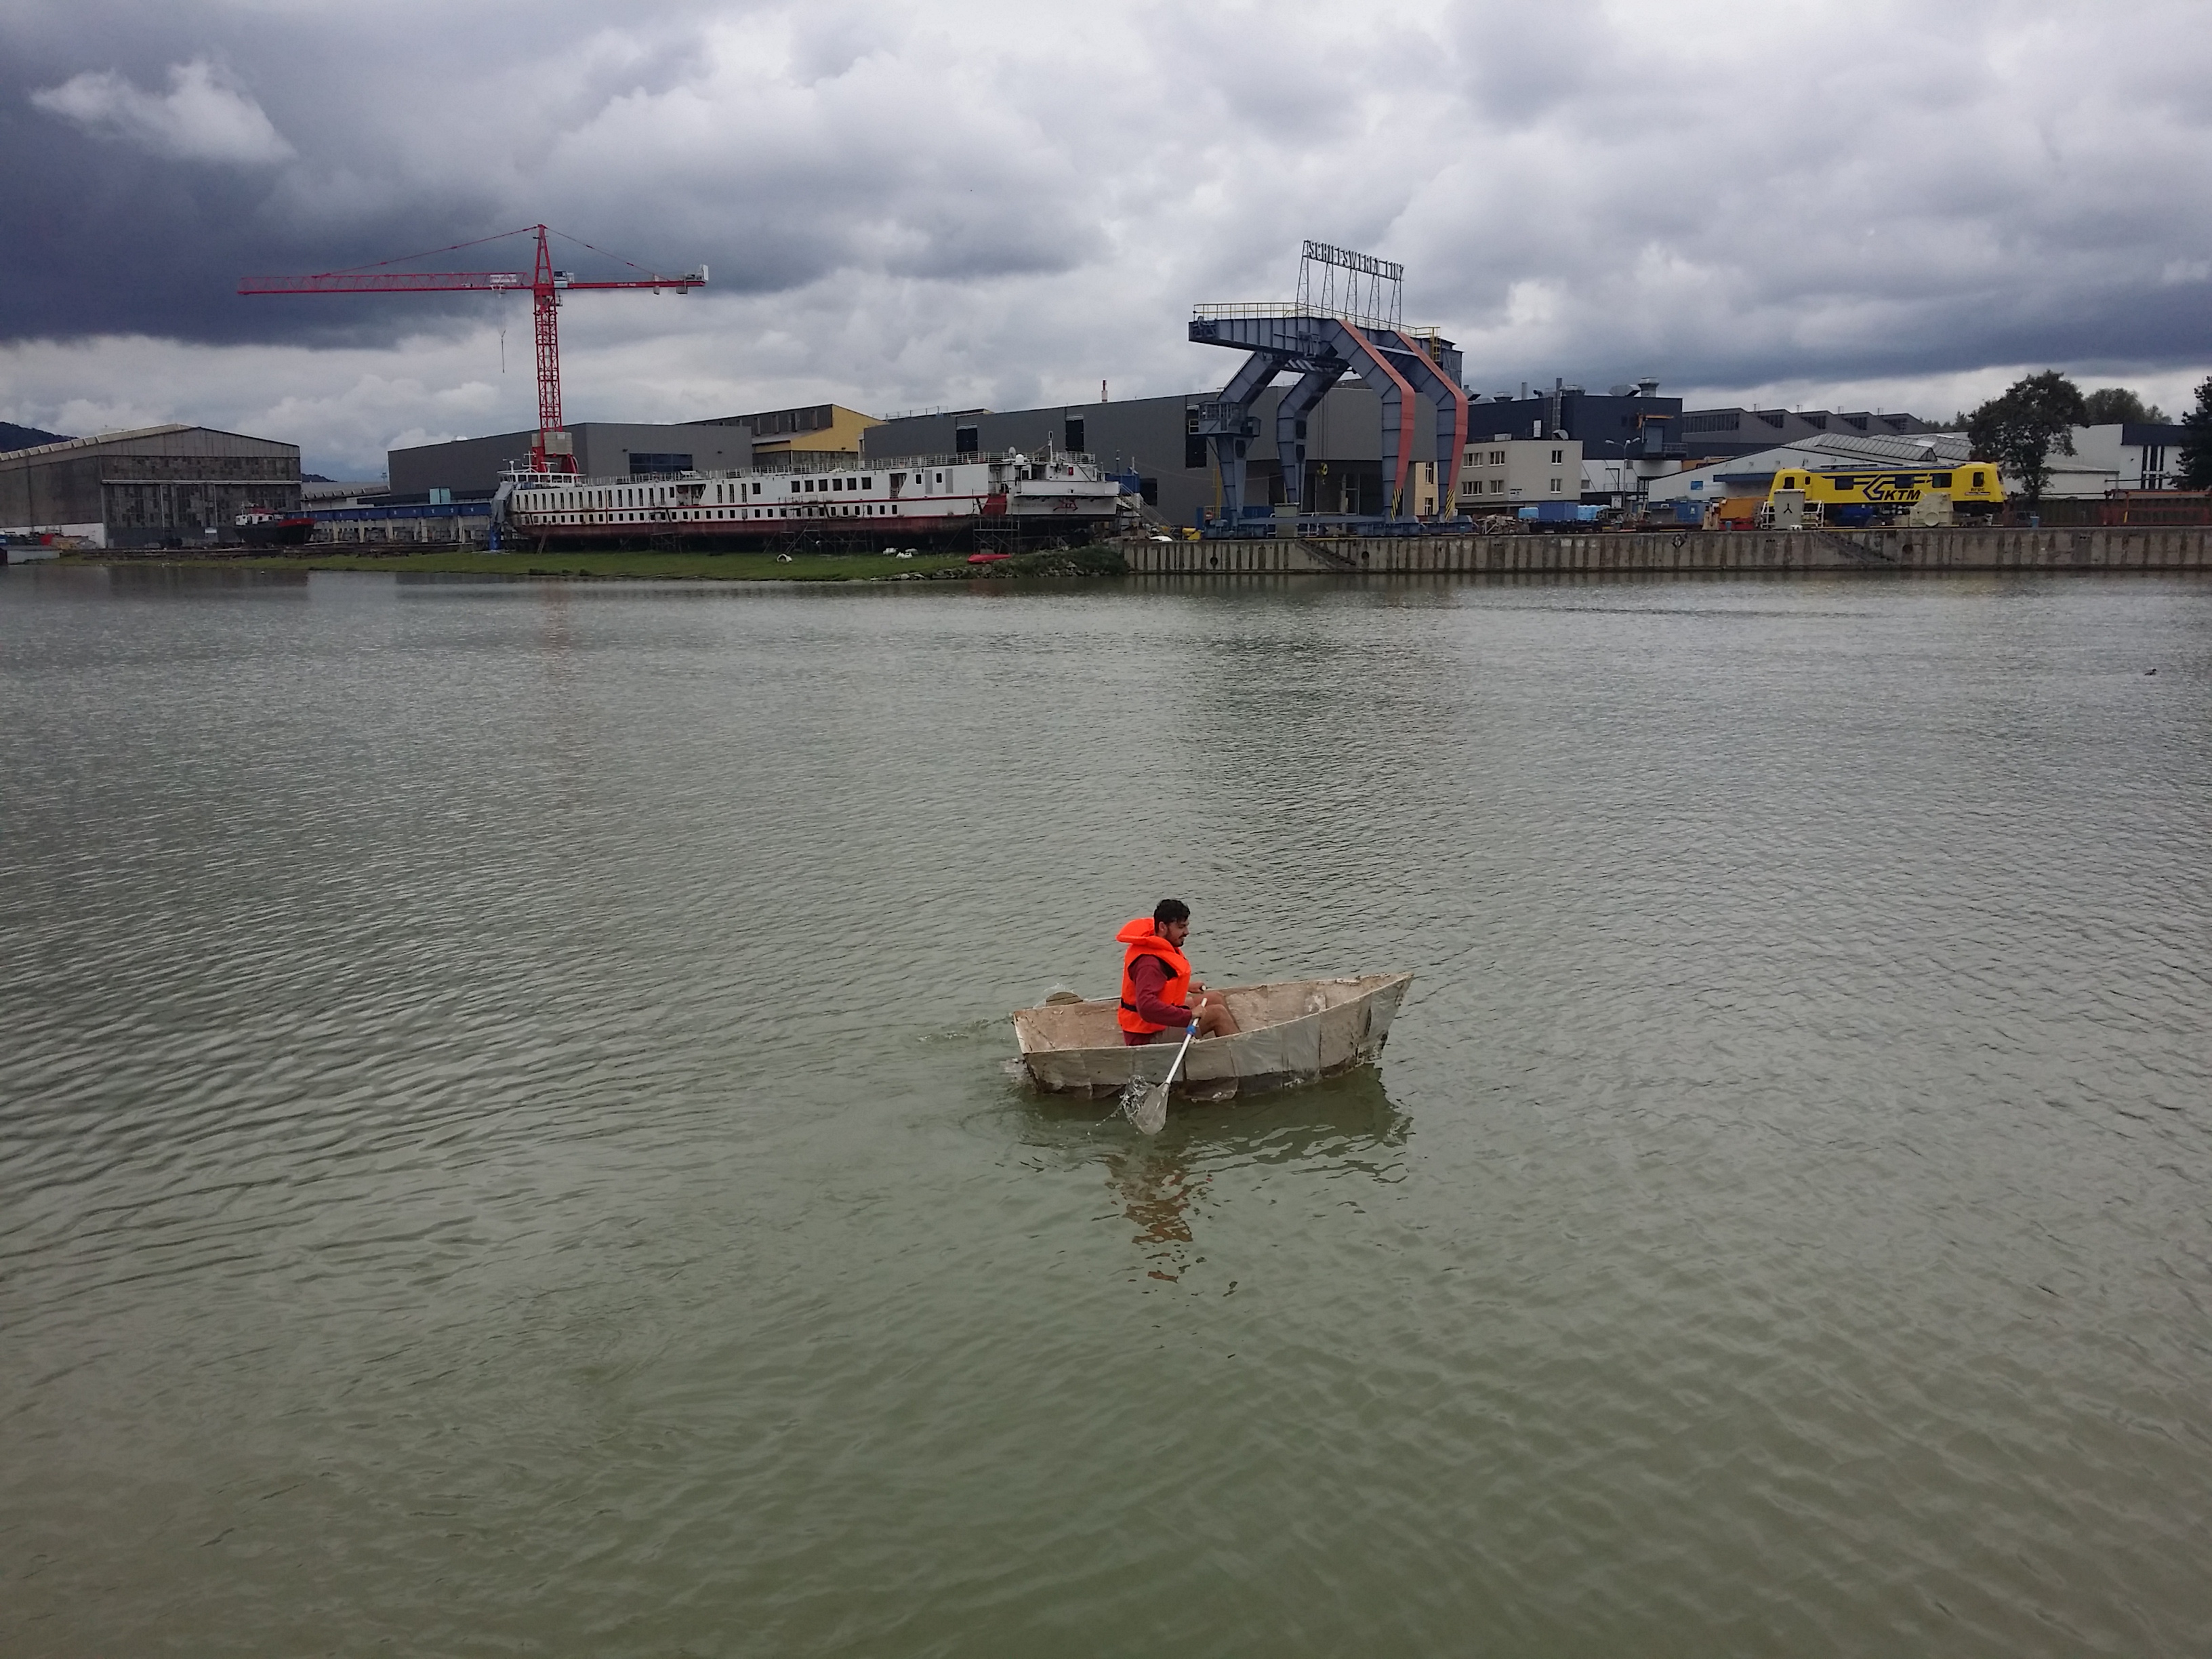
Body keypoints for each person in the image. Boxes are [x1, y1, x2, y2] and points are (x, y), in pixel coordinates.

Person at [1115, 899, 1239, 1046]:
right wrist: (1189, 1015)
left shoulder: (1157, 944)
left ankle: (1237, 1039)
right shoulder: (1149, 963)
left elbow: (1158, 983)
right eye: (1181, 927)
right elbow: (1147, 1008)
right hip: (1147, 1037)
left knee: (1216, 998)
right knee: (1218, 1014)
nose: (1187, 932)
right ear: (1163, 927)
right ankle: (1244, 1057)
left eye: (1186, 926)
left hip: (1158, 1023)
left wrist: (1186, 987)